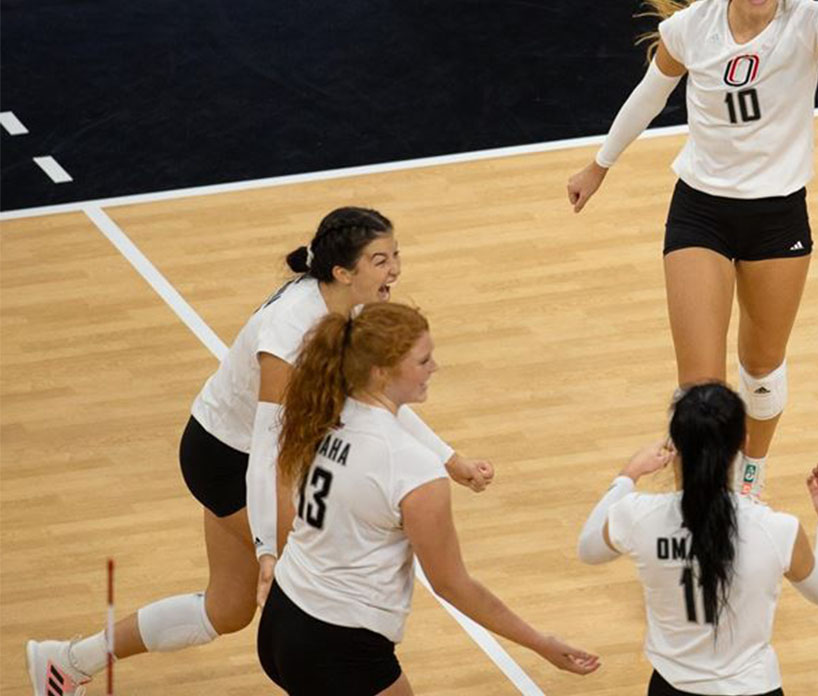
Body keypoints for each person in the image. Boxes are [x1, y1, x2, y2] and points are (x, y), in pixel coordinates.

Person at [27, 207, 494, 695]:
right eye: (380, 260)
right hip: (228, 460)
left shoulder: (351, 311)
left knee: (225, 610)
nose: (395, 269)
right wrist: (268, 549)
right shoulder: (289, 333)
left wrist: (449, 459)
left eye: (395, 255)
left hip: (231, 452)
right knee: (324, 602)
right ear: (342, 271)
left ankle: (65, 663)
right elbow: (268, 452)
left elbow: (378, 397)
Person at [566, 0, 818, 498]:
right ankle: (694, 505)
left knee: (763, 371)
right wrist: (600, 164)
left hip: (777, 218)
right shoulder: (692, 28)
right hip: (701, 210)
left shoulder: (807, 21)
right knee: (700, 389)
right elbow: (650, 94)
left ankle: (750, 476)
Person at [258, 302, 598, 693]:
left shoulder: (321, 414)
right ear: (381, 372)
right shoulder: (412, 467)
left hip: (284, 616)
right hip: (340, 645)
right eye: (423, 361)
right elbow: (451, 584)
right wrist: (541, 643)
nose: (434, 368)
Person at [577, 382, 818, 695]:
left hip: (670, 689)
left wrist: (628, 475)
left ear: (675, 444)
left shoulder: (637, 515)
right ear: (743, 443)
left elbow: (588, 548)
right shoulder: (776, 529)